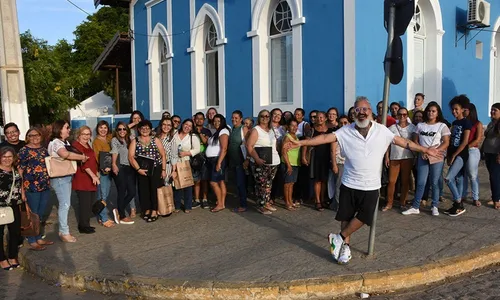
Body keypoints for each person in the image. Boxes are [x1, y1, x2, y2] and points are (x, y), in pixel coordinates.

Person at [283, 97, 439, 265]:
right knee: (345, 216)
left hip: (372, 185)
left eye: (365, 109)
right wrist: (300, 143)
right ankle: (344, 248)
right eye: (358, 110)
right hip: (349, 182)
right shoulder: (345, 131)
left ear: (370, 112)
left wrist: (425, 149)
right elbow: (323, 139)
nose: (362, 112)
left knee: (365, 216)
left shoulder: (382, 131)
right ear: (354, 113)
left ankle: (339, 238)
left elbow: (405, 143)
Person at [402, 102, 450, 217]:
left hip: (436, 156)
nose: (431, 113)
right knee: (421, 182)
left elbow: (446, 142)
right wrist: (422, 151)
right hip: (423, 156)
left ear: (438, 113)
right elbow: (415, 140)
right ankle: (415, 206)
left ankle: (434, 205)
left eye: (433, 111)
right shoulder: (420, 125)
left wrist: (435, 151)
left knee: (434, 182)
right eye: (429, 111)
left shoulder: (442, 126)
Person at [48, 120, 88, 242]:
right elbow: (64, 154)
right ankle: (64, 232)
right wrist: (82, 157)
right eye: (67, 127)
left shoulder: (63, 142)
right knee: (65, 205)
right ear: (60, 129)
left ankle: (63, 231)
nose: (69, 130)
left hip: (65, 176)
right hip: (60, 178)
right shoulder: (56, 143)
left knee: (65, 204)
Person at [18, 128, 53, 250]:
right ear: (27, 137)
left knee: (42, 213)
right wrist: (21, 190)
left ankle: (38, 237)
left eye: (37, 135)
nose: (34, 137)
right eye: (31, 135)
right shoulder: (24, 151)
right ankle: (32, 239)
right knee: (33, 214)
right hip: (31, 187)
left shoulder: (44, 150)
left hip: (45, 186)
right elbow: (20, 171)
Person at [128, 120, 167, 222]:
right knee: (143, 191)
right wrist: (138, 169)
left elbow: (163, 154)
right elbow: (131, 157)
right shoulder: (135, 141)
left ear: (150, 129)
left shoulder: (155, 140)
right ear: (139, 129)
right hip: (142, 170)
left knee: (154, 189)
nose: (145, 130)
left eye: (147, 128)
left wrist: (163, 169)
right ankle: (146, 209)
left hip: (155, 168)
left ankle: (154, 210)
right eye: (142, 128)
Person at [247, 110, 280, 214]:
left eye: (267, 116)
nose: (265, 118)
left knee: (268, 184)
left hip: (273, 161)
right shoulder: (256, 130)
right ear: (259, 117)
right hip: (260, 162)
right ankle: (261, 205)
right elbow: (249, 146)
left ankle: (266, 202)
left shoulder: (271, 130)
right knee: (261, 184)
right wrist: (257, 159)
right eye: (262, 116)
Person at [383, 107, 416, 211]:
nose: (402, 116)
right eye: (400, 114)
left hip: (407, 157)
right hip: (394, 157)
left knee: (405, 181)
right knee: (392, 181)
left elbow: (414, 143)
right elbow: (387, 143)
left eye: (405, 115)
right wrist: (387, 156)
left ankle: (403, 202)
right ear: (397, 116)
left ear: (407, 116)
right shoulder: (392, 128)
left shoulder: (412, 128)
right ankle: (389, 202)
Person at [444, 95, 471, 217]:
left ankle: (458, 202)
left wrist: (454, 155)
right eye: (453, 109)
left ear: (462, 110)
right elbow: (451, 140)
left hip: (461, 155)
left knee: (448, 178)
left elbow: (465, 142)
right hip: (453, 154)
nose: (454, 112)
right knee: (458, 179)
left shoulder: (466, 122)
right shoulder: (454, 123)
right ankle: (457, 206)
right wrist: (449, 155)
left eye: (456, 109)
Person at [72, 126, 100, 234]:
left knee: (89, 203)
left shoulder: (87, 144)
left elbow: (92, 160)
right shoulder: (76, 145)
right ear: (79, 135)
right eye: (84, 134)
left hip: (92, 177)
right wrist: (93, 175)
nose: (86, 136)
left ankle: (86, 224)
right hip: (83, 178)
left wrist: (96, 172)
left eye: (88, 134)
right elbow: (83, 164)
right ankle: (83, 226)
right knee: (84, 203)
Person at [0, 147, 24, 270]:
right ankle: (2, 259)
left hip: (14, 204)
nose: (7, 159)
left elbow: (20, 185)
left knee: (15, 232)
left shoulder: (16, 170)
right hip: (0, 206)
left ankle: (12, 256)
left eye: (10, 157)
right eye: (4, 156)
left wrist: (23, 196)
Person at [306, 112, 334, 211]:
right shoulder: (312, 130)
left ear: (325, 118)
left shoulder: (330, 130)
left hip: (326, 157)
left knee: (324, 180)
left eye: (321, 117)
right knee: (317, 180)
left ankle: (322, 200)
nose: (319, 119)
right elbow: (306, 143)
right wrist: (305, 157)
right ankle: (317, 201)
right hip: (315, 157)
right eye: (317, 117)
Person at [171, 119, 200, 213]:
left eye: (190, 126)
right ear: (182, 124)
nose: (187, 127)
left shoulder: (193, 136)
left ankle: (188, 206)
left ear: (192, 128)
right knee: (176, 185)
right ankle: (177, 205)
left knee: (187, 185)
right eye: (186, 124)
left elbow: (197, 149)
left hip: (186, 162)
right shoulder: (174, 133)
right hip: (175, 162)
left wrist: (186, 153)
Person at [111, 122, 136, 224]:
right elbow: (114, 151)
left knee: (132, 192)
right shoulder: (115, 140)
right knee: (121, 192)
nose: (122, 131)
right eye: (120, 129)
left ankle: (118, 209)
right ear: (116, 131)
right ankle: (122, 216)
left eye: (124, 129)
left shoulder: (129, 140)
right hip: (120, 167)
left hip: (130, 168)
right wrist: (113, 164)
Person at [205, 114, 230, 213]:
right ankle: (222, 203)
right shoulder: (217, 132)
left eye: (218, 121)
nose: (216, 123)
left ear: (222, 122)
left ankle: (220, 204)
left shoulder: (223, 131)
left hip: (217, 160)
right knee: (221, 181)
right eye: (215, 121)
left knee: (213, 182)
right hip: (214, 160)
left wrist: (219, 163)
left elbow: (224, 148)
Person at [92, 121, 115, 228]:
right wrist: (102, 167)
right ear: (97, 129)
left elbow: (121, 130)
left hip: (110, 170)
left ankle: (102, 216)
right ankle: (104, 218)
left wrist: (133, 123)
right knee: (102, 195)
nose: (103, 130)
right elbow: (97, 157)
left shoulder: (109, 138)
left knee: (105, 193)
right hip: (103, 171)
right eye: (101, 128)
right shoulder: (96, 142)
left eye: (105, 128)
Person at [228, 110, 249, 213]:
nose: (234, 119)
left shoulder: (243, 128)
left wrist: (247, 160)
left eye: (236, 118)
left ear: (241, 119)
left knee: (241, 184)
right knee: (237, 184)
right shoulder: (232, 129)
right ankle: (241, 202)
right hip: (233, 162)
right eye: (232, 117)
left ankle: (243, 205)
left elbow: (248, 145)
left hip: (241, 162)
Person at [462, 103, 483, 206]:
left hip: (472, 150)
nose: (463, 111)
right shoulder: (463, 122)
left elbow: (478, 139)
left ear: (470, 110)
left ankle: (475, 197)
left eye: (464, 110)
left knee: (472, 174)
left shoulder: (477, 124)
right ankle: (463, 194)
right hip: (462, 151)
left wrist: (467, 147)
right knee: (464, 174)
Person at [482, 103, 500, 210]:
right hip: (488, 153)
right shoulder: (491, 123)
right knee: (493, 176)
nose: (492, 112)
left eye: (495, 110)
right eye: (492, 110)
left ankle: (496, 200)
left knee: (495, 177)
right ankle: (495, 197)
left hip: (495, 154)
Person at [193, 112, 211, 209]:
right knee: (196, 179)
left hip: (204, 156)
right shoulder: (191, 130)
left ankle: (204, 199)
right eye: (197, 118)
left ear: (204, 120)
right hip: (194, 156)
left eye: (201, 119)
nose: (199, 120)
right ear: (194, 119)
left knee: (204, 179)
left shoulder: (207, 131)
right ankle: (196, 199)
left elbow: (206, 142)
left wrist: (199, 133)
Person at [281, 118, 300, 210]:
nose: (294, 127)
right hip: (288, 163)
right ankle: (287, 202)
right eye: (292, 125)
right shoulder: (287, 137)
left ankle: (290, 201)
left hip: (295, 163)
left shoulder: (296, 136)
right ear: (288, 127)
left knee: (292, 183)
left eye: (296, 126)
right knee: (287, 183)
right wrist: (288, 165)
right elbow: (283, 152)